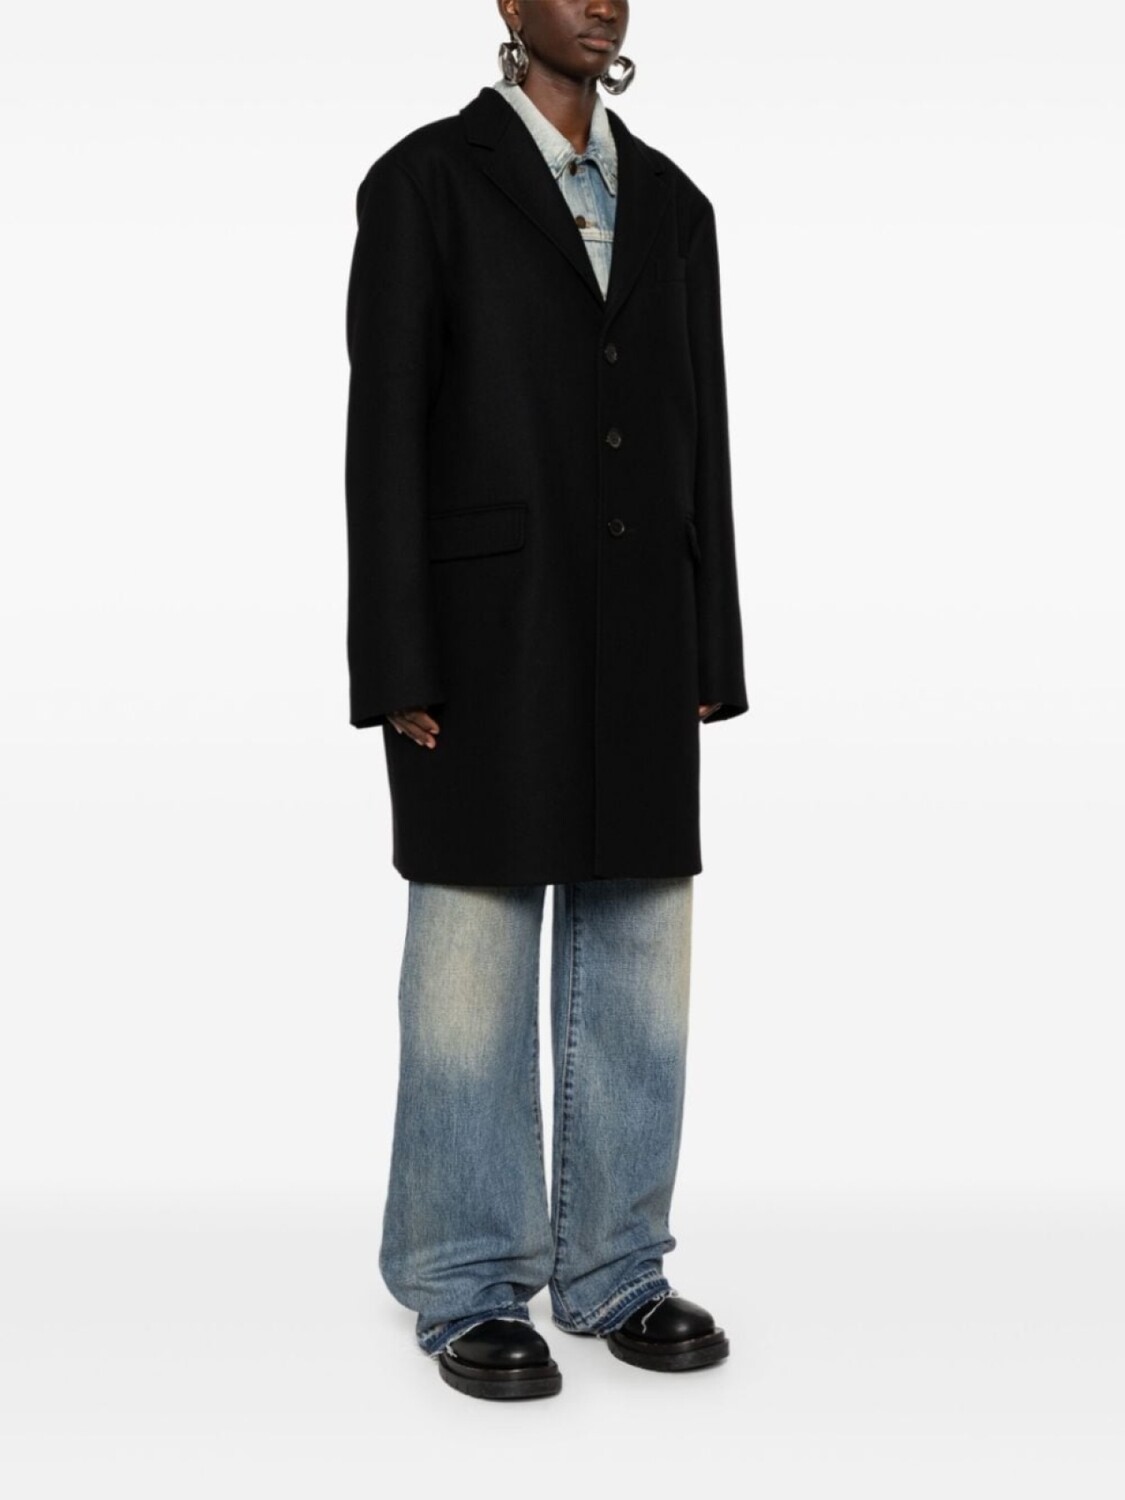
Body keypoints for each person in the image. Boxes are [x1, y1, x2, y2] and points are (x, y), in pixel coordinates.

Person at [343, 0, 748, 1400]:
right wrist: (397, 658)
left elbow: (701, 431)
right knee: (471, 962)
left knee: (640, 961)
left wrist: (710, 648)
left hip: (642, 626)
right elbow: (384, 431)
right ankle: (463, 1278)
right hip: (482, 633)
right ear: (507, 5)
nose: (598, 1)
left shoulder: (675, 205)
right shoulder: (425, 183)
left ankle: (617, 1266)